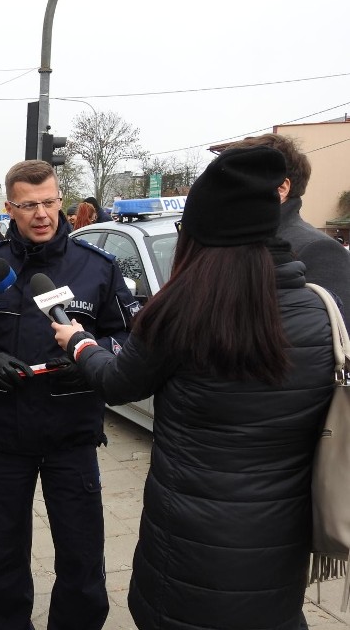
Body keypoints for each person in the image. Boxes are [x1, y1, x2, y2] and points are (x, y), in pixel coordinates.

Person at [51, 146, 335, 630]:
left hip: (185, 552)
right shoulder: (320, 312)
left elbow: (118, 384)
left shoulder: (181, 311)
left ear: (199, 235)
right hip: (278, 547)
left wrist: (78, 342)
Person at [0, 160, 139, 630]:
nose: (42, 214)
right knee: (3, 555)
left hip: (72, 436)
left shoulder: (97, 268)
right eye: (29, 206)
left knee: (83, 556)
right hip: (3, 438)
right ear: (9, 208)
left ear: (60, 201)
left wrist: (91, 359)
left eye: (49, 202)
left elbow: (130, 340)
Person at [226, 133, 350, 325]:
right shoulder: (235, 240)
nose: (228, 192)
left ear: (281, 189)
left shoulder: (320, 249)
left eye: (242, 181)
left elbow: (334, 337)